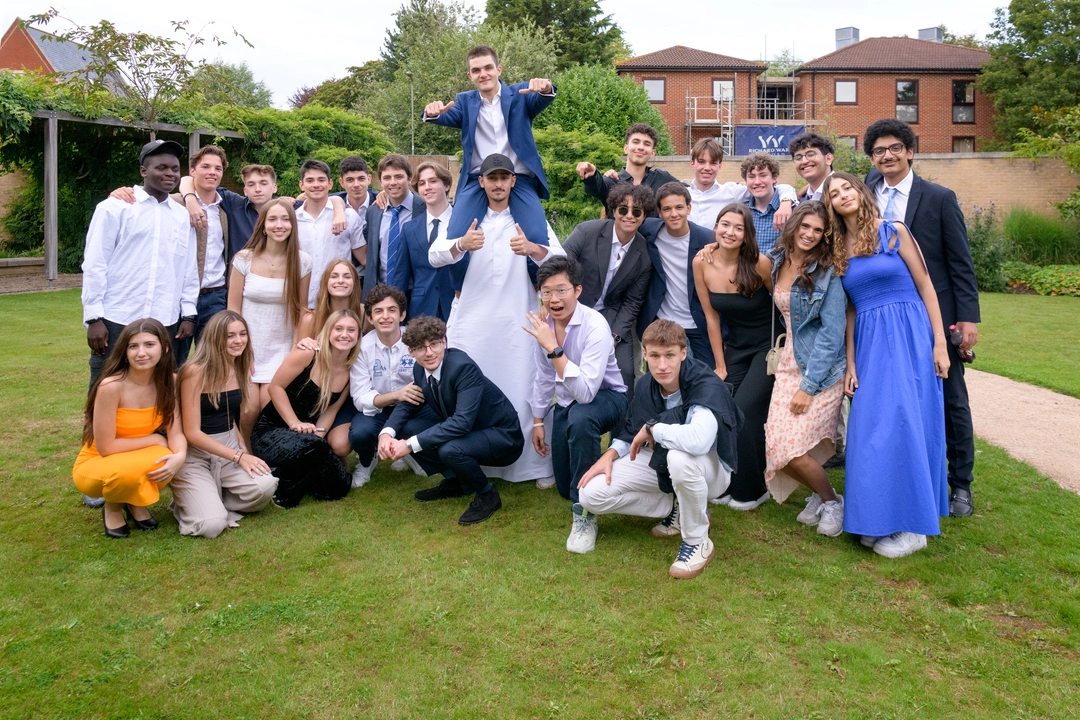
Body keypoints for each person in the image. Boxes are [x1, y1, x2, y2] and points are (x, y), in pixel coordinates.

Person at [825, 171, 950, 558]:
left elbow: (926, 285)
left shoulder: (894, 231)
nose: (842, 195)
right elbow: (847, 309)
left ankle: (914, 527)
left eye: (847, 187)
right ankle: (877, 515)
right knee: (869, 424)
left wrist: (940, 343)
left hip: (910, 333)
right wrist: (850, 363)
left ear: (860, 193)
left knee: (906, 420)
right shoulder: (838, 249)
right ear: (829, 205)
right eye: (833, 193)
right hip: (869, 339)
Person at [863, 119, 980, 518]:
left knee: (950, 399)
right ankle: (898, 474)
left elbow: (960, 263)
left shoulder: (938, 198)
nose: (887, 156)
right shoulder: (866, 195)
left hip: (934, 315)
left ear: (911, 151)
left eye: (895, 148)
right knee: (891, 400)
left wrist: (966, 318)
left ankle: (960, 483)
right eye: (879, 151)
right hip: (884, 318)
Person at [428, 153, 565, 485]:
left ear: (513, 182)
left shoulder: (530, 221)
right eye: (492, 178)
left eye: (505, 177)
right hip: (473, 321)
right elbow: (434, 255)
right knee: (469, 390)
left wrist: (533, 248)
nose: (499, 183)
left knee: (523, 386)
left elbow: (561, 260)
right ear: (482, 182)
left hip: (517, 320)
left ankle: (533, 465)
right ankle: (471, 462)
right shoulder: (466, 221)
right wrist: (462, 243)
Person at [573, 320, 739, 580]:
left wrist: (654, 430)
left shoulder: (705, 382)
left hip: (711, 469)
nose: (662, 365)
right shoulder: (645, 385)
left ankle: (698, 541)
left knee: (681, 456)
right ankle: (677, 507)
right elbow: (632, 429)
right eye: (655, 356)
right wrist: (611, 453)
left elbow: (699, 441)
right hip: (664, 464)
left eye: (670, 355)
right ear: (645, 356)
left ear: (683, 353)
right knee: (590, 495)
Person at [422, 45, 555, 278]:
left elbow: (543, 98)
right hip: (478, 179)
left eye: (488, 68)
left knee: (536, 234)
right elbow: (444, 115)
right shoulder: (465, 101)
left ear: (498, 69)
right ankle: (460, 291)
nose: (483, 74)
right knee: (456, 234)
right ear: (470, 76)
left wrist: (545, 88)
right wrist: (432, 112)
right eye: (476, 70)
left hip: (519, 178)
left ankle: (537, 287)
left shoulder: (521, 94)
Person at [378, 317, 524, 525]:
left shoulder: (463, 368)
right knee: (407, 427)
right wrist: (386, 434)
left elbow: (461, 422)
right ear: (411, 352)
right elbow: (409, 403)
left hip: (502, 436)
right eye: (421, 347)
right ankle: (458, 482)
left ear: (444, 342)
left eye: (434, 344)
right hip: (469, 432)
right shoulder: (420, 368)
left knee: (449, 449)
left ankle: (487, 495)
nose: (429, 353)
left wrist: (409, 445)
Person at [82, 139, 197, 392]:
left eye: (175, 169)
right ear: (144, 171)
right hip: (117, 317)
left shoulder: (181, 216)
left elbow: (188, 269)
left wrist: (188, 314)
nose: (170, 173)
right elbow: (95, 264)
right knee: (105, 387)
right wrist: (93, 318)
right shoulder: (115, 208)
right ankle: (97, 433)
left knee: (161, 390)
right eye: (162, 167)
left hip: (165, 320)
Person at [762, 202, 847, 536]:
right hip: (788, 364)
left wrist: (808, 386)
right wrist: (711, 247)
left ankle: (831, 502)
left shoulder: (828, 273)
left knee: (794, 451)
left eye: (818, 230)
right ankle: (821, 495)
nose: (810, 235)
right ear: (794, 227)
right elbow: (741, 249)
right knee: (776, 446)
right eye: (806, 227)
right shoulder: (778, 260)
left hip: (821, 369)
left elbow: (831, 333)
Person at [524, 256, 628, 513]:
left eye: (561, 290)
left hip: (608, 397)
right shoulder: (544, 326)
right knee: (563, 486)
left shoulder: (595, 326)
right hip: (569, 402)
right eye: (547, 292)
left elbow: (586, 393)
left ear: (577, 290)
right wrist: (538, 421)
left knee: (581, 418)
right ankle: (590, 478)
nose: (554, 299)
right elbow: (545, 376)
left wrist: (554, 348)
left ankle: (588, 499)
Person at [694, 203, 776, 511]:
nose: (730, 232)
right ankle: (734, 480)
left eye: (738, 228)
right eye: (725, 225)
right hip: (736, 347)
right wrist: (720, 365)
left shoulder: (759, 264)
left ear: (747, 234)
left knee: (744, 411)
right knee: (726, 409)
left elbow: (782, 304)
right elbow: (711, 317)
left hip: (768, 347)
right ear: (715, 227)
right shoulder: (701, 262)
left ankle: (753, 491)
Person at [73, 319, 186, 538]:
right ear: (124, 352)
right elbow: (106, 447)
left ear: (164, 348)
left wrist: (180, 455)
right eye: (133, 346)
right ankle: (113, 506)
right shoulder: (111, 386)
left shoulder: (171, 382)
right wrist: (154, 440)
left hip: (138, 456)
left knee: (166, 458)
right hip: (99, 461)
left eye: (149, 345)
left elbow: (176, 432)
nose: (141, 353)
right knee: (126, 472)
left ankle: (134, 501)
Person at [173, 311, 277, 538]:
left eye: (242, 334)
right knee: (212, 525)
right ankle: (202, 503)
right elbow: (191, 432)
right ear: (215, 338)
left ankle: (213, 498)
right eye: (230, 336)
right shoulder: (194, 372)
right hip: (197, 452)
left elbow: (229, 416)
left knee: (266, 487)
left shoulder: (239, 365)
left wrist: (243, 448)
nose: (238, 341)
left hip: (229, 447)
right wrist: (238, 456)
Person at [250, 309, 361, 508]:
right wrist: (294, 423)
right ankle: (284, 489)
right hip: (271, 431)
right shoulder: (308, 354)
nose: (345, 334)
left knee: (339, 487)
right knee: (319, 455)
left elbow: (331, 410)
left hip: (309, 437)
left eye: (351, 330)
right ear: (328, 331)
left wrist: (318, 438)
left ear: (357, 336)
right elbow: (275, 388)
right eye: (339, 328)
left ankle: (297, 468)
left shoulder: (351, 370)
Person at [562, 183, 654, 401]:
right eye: (623, 209)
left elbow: (633, 302)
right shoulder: (587, 232)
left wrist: (614, 336)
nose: (629, 216)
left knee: (626, 375)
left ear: (644, 216)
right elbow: (559, 266)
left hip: (612, 318)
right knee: (568, 374)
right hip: (575, 310)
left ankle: (622, 433)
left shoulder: (645, 253)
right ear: (614, 210)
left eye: (637, 211)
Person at [347, 284, 439, 487]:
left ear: (402, 314)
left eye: (392, 310)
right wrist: (396, 395)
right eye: (378, 311)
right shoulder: (361, 348)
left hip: (413, 407)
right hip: (377, 409)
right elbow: (360, 398)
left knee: (430, 422)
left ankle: (408, 452)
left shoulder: (416, 341)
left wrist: (406, 398)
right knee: (360, 434)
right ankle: (367, 459)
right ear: (370, 318)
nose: (385, 316)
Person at [227, 198, 313, 413]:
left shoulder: (302, 262)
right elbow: (232, 311)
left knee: (268, 407)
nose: (279, 225)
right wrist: (241, 352)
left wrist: (293, 352)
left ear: (292, 225)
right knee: (248, 410)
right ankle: (242, 448)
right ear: (263, 226)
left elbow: (300, 311)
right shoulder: (243, 259)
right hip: (247, 347)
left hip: (281, 349)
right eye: (272, 219)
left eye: (285, 219)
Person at [637, 182, 715, 368]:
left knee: (706, 379)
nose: (674, 214)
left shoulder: (707, 239)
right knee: (662, 378)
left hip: (698, 322)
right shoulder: (649, 230)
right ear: (659, 211)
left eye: (679, 207)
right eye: (667, 209)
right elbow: (618, 215)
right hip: (663, 321)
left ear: (689, 208)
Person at [389, 161, 456, 322]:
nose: (427, 187)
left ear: (446, 185)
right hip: (421, 310)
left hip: (458, 307)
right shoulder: (409, 229)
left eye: (433, 181)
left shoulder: (462, 223)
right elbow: (401, 276)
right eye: (422, 183)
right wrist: (396, 314)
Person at [296, 159, 365, 308]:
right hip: (302, 303)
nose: (316, 185)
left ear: (330, 184)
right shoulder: (293, 220)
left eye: (321, 180)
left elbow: (365, 259)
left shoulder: (349, 217)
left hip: (338, 303)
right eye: (310, 180)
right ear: (301, 185)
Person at [687, 138, 795, 228]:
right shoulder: (682, 195)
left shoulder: (732, 192)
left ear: (720, 166)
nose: (707, 168)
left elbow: (774, 188)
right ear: (692, 164)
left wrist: (785, 203)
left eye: (713, 163)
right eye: (701, 162)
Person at [362, 154, 426, 299]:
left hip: (415, 294)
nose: (393, 182)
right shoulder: (374, 212)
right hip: (379, 293)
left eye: (398, 176)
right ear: (381, 181)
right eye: (387, 178)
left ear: (410, 178)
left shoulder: (425, 208)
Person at [576, 123, 678, 213]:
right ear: (626, 148)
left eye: (646, 144)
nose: (641, 147)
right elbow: (595, 187)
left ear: (652, 153)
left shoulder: (663, 179)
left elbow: (689, 191)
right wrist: (592, 175)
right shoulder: (612, 182)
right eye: (636, 142)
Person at [741, 153, 789, 255]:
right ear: (745, 181)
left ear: (774, 177)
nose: (757, 182)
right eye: (751, 176)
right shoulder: (741, 212)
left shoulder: (790, 211)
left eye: (763, 175)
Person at [788, 132, 835, 202]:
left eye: (810, 154)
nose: (804, 161)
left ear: (828, 159)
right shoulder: (802, 199)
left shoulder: (845, 193)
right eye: (798, 157)